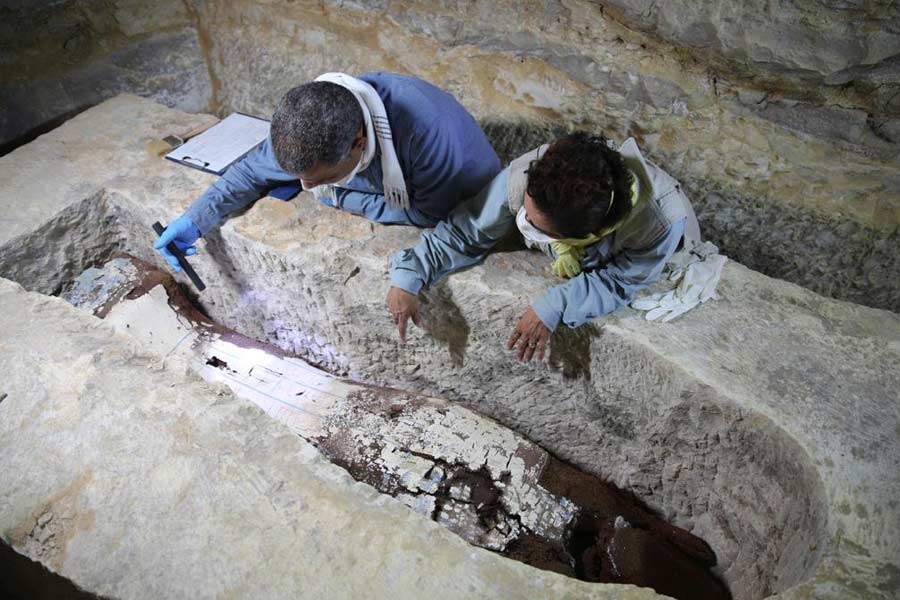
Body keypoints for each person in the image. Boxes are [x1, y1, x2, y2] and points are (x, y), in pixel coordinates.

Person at [386, 131, 701, 362]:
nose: (522, 220)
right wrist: (410, 272)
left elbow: (621, 280)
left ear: (584, 236)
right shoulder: (541, 170)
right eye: (524, 211)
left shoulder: (660, 224)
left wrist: (556, 305)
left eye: (538, 227)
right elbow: (467, 230)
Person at [154, 72, 500, 270]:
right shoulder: (307, 123)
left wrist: (338, 196)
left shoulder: (427, 137)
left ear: (358, 143)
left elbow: (428, 212)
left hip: (460, 187)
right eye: (300, 176)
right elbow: (250, 174)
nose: (305, 187)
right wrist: (195, 219)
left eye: (317, 178)